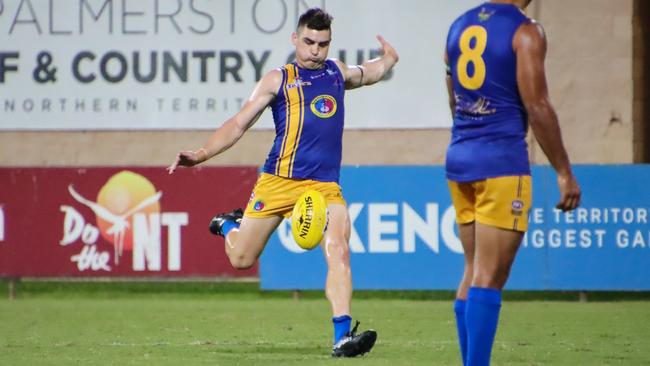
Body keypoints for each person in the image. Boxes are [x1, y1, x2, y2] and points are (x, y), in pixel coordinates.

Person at [167, 8, 398, 358]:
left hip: (323, 187)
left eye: (322, 43)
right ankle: (228, 224)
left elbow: (369, 73)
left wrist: (389, 59)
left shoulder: (336, 73)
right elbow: (239, 123)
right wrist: (201, 154)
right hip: (278, 182)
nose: (315, 50)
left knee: (339, 250)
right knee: (241, 259)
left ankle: (342, 336)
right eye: (308, 42)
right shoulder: (279, 79)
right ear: (295, 39)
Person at [444, 1, 581, 365]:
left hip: (460, 158)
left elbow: (454, 95)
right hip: (501, 163)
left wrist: (468, 136)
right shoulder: (526, 31)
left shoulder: (459, 25)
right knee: (488, 278)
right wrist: (563, 171)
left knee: (472, 271)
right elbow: (537, 106)